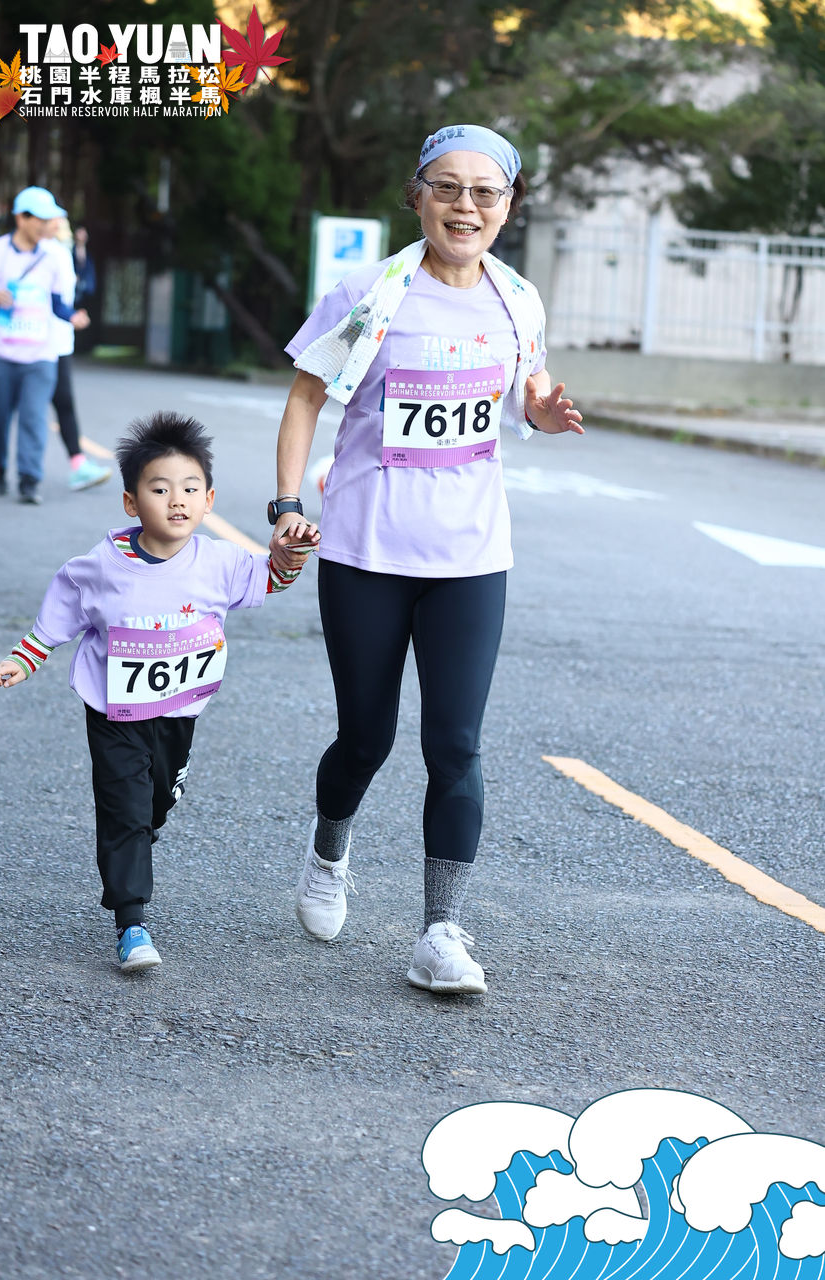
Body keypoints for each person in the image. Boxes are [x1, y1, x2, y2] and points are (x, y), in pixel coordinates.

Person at [269, 123, 584, 995]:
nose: (464, 206)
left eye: (485, 192)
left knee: (455, 744)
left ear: (507, 207)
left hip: (471, 554)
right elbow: (304, 399)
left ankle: (440, 931)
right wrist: (288, 505)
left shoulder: (517, 299)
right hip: (367, 549)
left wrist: (542, 412)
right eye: (446, 187)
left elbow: (525, 392)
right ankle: (329, 851)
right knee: (365, 738)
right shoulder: (370, 293)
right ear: (416, 196)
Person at [0, 411, 319, 971]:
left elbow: (272, 578)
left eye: (189, 489)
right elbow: (58, 618)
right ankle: (131, 923)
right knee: (125, 811)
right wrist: (24, 659)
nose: (176, 501)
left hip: (178, 712)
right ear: (131, 502)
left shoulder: (219, 560)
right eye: (160, 489)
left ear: (208, 499)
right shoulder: (99, 568)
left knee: (155, 803)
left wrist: (293, 552)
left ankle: (143, 830)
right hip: (114, 712)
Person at [0, 186, 90, 503]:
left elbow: (57, 303)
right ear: (21, 218)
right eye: (41, 219)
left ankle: (29, 481)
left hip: (40, 354)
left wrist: (72, 316)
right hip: (1, 351)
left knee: (34, 417)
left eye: (49, 219)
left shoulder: (53, 256)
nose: (47, 225)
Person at [43, 218, 111, 491]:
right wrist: (70, 315)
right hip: (33, 345)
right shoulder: (42, 253)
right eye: (60, 224)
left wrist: (72, 315)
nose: (67, 231)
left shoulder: (64, 254)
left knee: (63, 404)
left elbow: (83, 286)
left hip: (59, 343)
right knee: (15, 405)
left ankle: (78, 464)